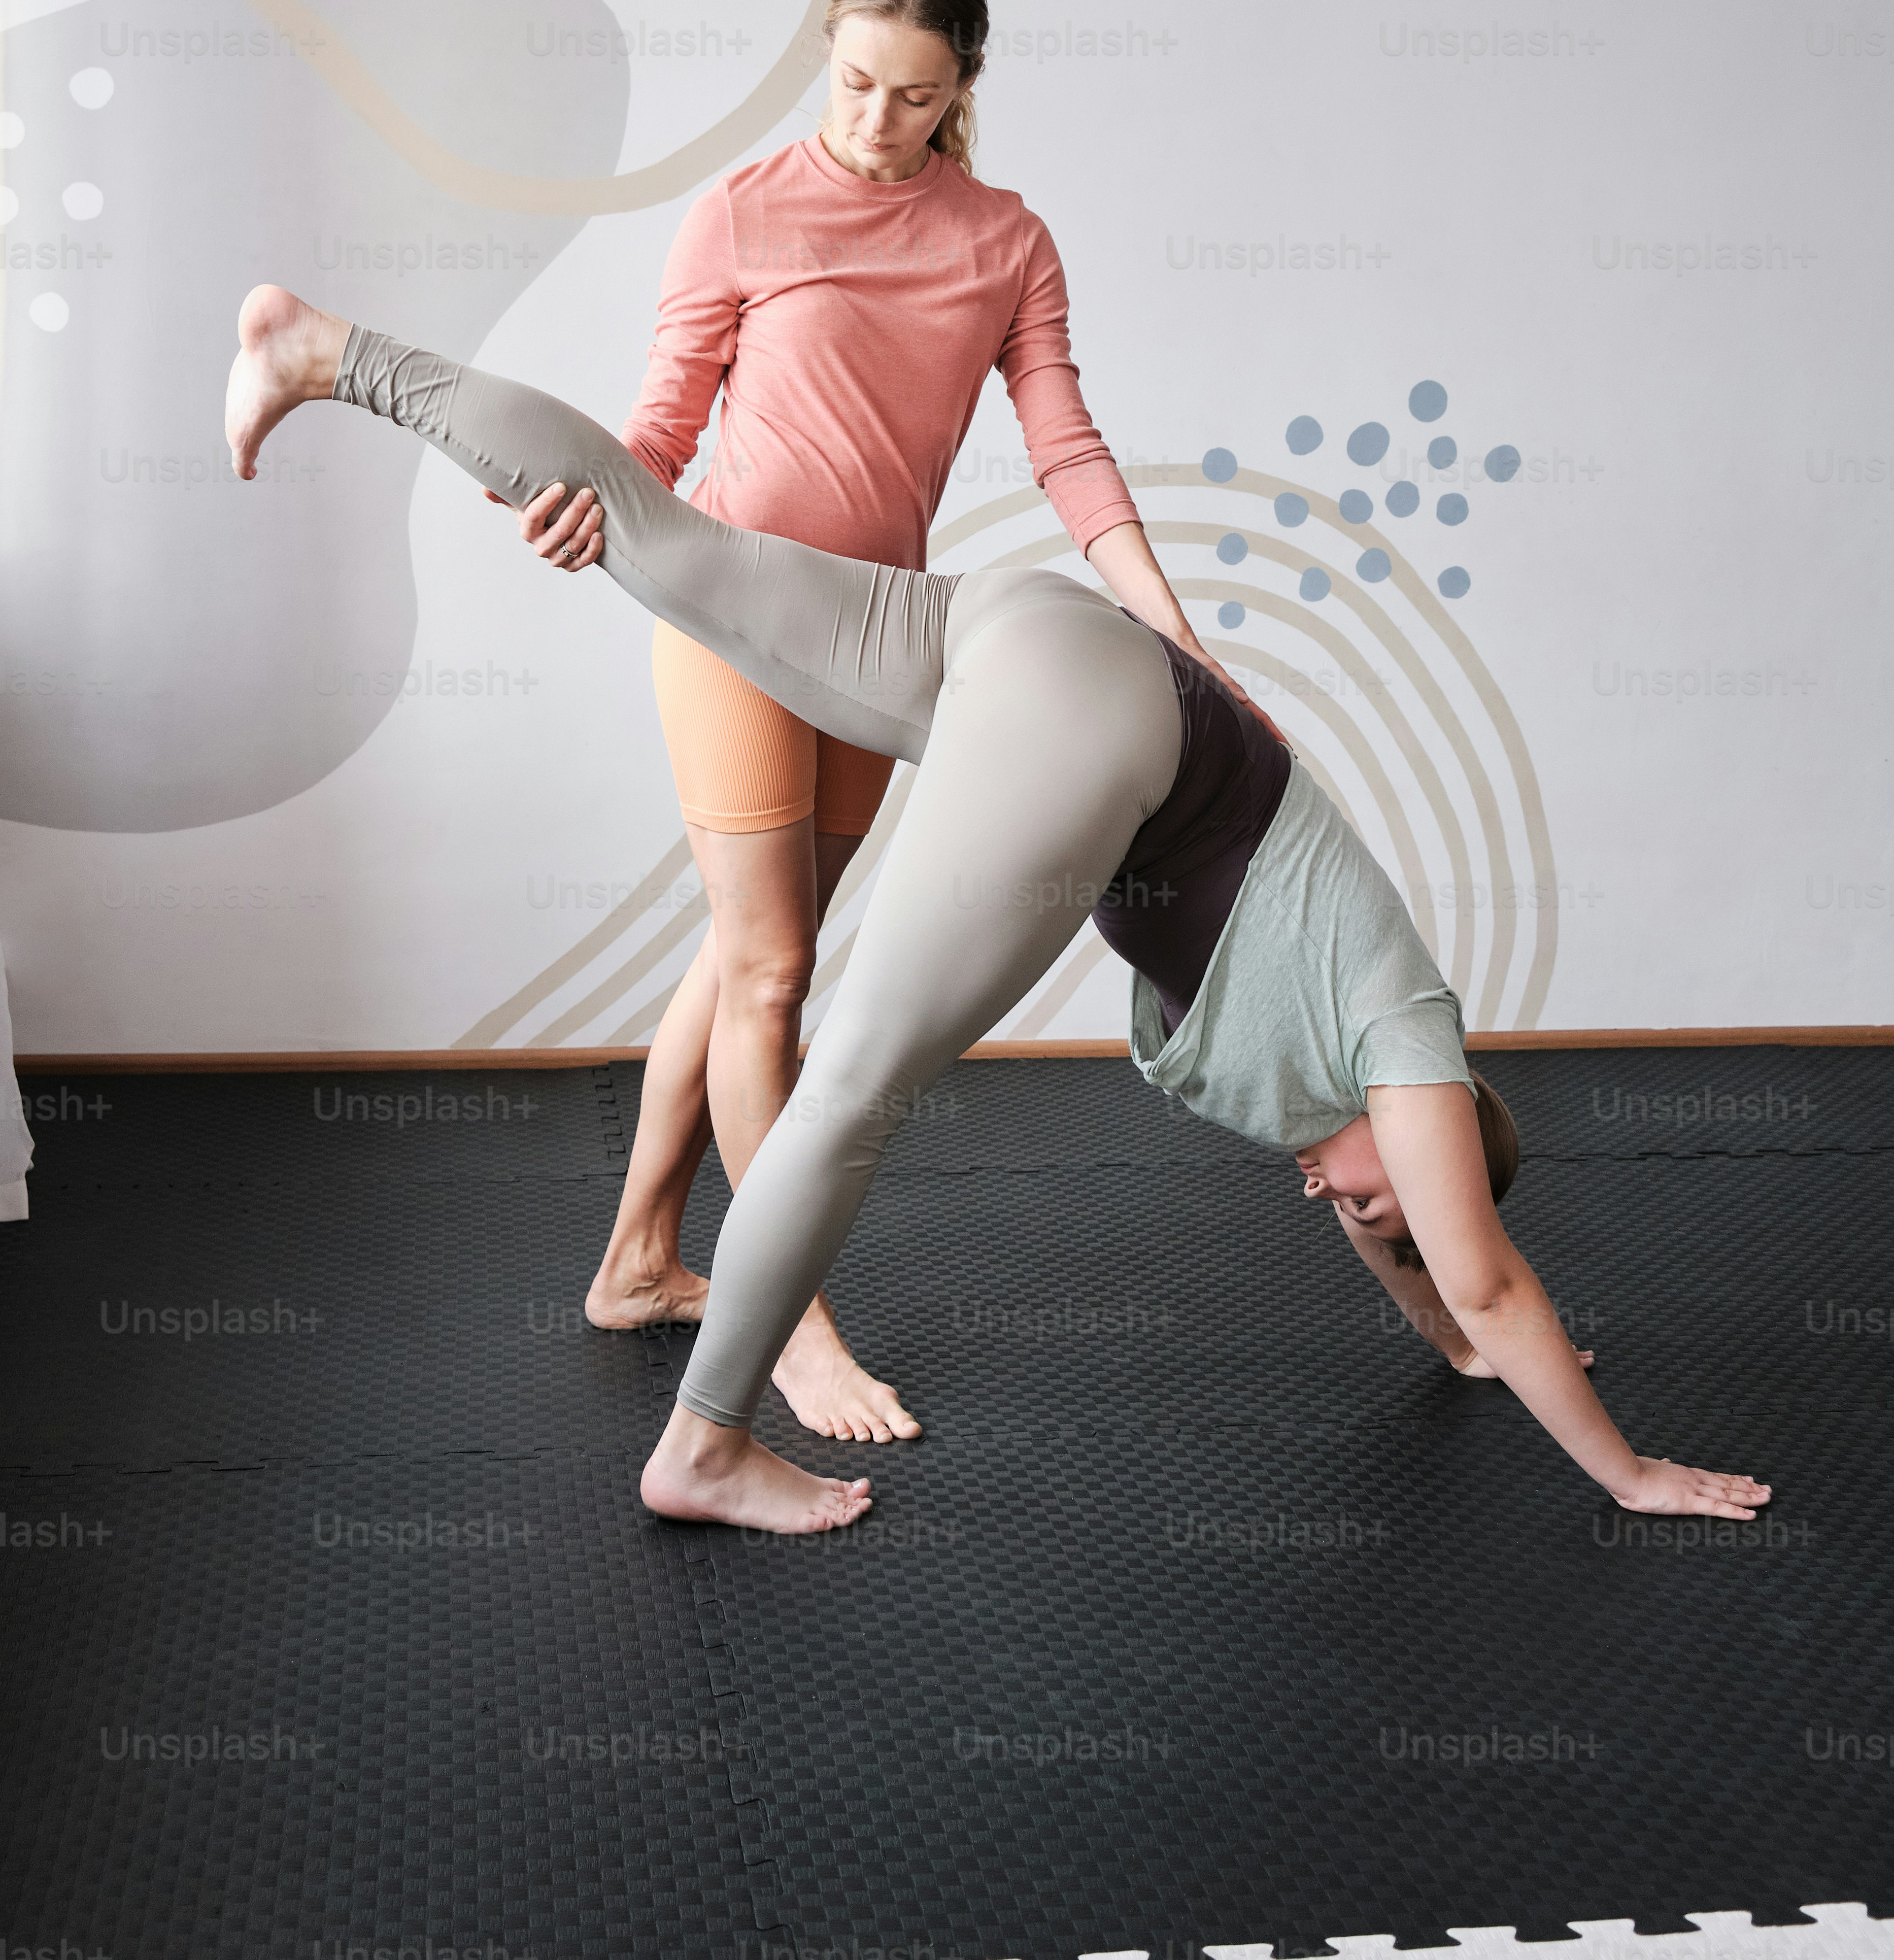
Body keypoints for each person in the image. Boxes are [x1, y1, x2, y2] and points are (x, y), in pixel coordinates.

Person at [225, 288, 1770, 1541]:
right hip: (1090, 721)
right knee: (852, 1089)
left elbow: (1448, 1282)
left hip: (1034, 634)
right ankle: (705, 1445)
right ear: (1446, 1136)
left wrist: (1451, 1342)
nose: (1335, 1208)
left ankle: (327, 352)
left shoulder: (1350, 1086)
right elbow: (1480, 1264)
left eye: (1368, 1224)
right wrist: (1631, 1470)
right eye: (1376, 1202)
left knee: (667, 545)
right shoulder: (1412, 1045)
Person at [488, 0, 1251, 1446]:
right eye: (851, 83)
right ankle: (794, 1337)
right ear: (824, 55)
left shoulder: (1006, 242)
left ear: (963, 89)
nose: (874, 120)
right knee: (774, 976)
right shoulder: (744, 210)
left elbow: (1067, 446)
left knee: (756, 957)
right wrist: (600, 514)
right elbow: (662, 422)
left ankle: (642, 1261)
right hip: (726, 611)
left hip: (880, 641)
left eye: (912, 98)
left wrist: (1175, 630)